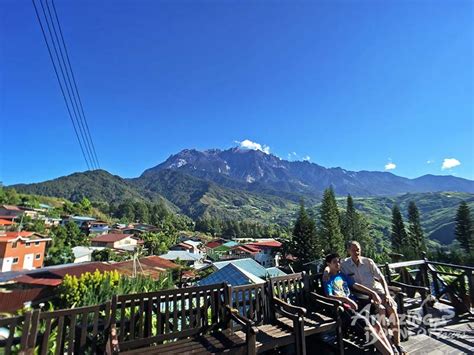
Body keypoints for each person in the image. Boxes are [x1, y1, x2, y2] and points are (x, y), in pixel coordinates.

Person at [333, 241, 406, 354]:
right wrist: (325, 273)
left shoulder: (368, 262)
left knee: (392, 309)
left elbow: (381, 279)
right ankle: (390, 345)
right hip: (363, 296)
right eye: (353, 250)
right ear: (348, 251)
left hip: (378, 292)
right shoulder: (344, 265)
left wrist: (387, 294)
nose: (356, 252)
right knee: (381, 310)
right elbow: (332, 268)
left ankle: (397, 343)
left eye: (358, 249)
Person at [324, 253, 394, 355]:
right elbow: (329, 296)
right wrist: (346, 300)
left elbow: (356, 285)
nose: (338, 264)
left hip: (356, 306)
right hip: (344, 309)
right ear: (328, 264)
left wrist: (372, 292)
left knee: (376, 323)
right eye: (334, 262)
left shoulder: (342, 275)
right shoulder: (327, 279)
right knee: (368, 326)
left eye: (338, 261)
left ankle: (390, 351)